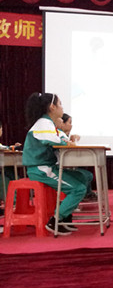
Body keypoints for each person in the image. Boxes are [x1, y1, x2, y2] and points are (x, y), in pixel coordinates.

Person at [23, 93, 88, 235]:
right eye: (60, 104)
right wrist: (67, 143)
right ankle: (56, 220)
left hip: (48, 167)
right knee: (78, 189)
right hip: (41, 169)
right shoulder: (43, 122)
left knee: (82, 177)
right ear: (52, 107)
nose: (62, 107)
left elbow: (56, 139)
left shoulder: (48, 123)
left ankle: (65, 216)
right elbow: (52, 140)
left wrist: (67, 141)